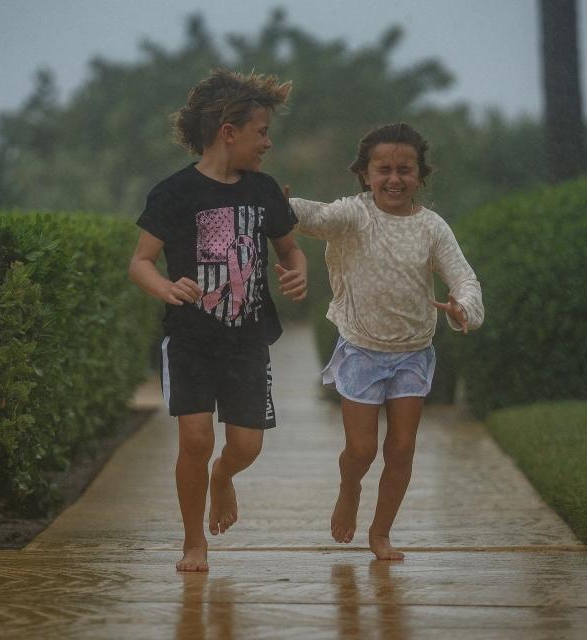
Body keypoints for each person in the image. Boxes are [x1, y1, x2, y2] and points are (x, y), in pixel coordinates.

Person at [129, 69, 307, 572]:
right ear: (230, 131)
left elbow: (292, 251)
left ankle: (223, 478)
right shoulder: (174, 193)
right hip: (190, 339)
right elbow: (139, 262)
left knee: (245, 446)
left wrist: (297, 274)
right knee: (196, 440)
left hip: (248, 341)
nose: (268, 142)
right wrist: (166, 287)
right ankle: (193, 542)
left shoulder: (264, 190)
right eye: (262, 131)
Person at [288, 123, 483, 561]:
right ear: (365, 174)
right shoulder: (354, 216)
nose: (394, 179)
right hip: (361, 349)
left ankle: (381, 532)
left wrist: (464, 306)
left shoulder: (432, 228)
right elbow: (316, 217)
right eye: (384, 170)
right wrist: (277, 204)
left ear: (420, 175)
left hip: (413, 353)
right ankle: (349, 486)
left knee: (400, 448)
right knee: (361, 450)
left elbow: (464, 278)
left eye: (405, 169)